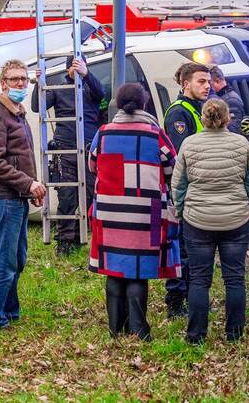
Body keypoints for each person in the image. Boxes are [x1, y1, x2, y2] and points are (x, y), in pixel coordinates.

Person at [87, 83, 181, 340]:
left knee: (115, 268)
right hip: (145, 213)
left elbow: (93, 165)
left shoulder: (103, 133)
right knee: (138, 269)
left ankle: (115, 329)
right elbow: (172, 168)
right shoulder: (155, 134)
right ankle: (139, 330)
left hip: (109, 212)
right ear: (144, 103)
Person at [171, 98, 249, 344]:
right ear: (227, 118)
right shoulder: (241, 144)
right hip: (236, 219)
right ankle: (234, 334)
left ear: (203, 118)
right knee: (235, 278)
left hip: (198, 220)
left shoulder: (189, 144)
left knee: (200, 279)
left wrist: (180, 211)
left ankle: (196, 335)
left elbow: (178, 184)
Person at [0, 59, 47, 330]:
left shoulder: (17, 113)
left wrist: (30, 186)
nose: (20, 83)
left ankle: (11, 312)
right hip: (3, 199)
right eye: (14, 79)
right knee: (5, 264)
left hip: (16, 196)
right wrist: (27, 184)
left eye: (24, 79)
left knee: (17, 260)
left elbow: (19, 158)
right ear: (3, 83)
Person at [32, 55, 105, 256]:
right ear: (67, 70)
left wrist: (86, 74)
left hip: (89, 149)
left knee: (92, 194)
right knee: (67, 197)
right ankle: (65, 241)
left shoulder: (91, 88)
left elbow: (103, 93)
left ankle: (86, 234)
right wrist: (38, 84)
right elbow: (37, 107)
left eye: (80, 65)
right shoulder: (59, 89)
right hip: (65, 150)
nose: (77, 69)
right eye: (73, 66)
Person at [163, 61, 211, 318]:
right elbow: (182, 155)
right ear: (186, 84)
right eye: (201, 81)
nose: (207, 86)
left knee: (194, 247)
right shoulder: (178, 113)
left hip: (199, 191)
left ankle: (193, 295)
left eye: (208, 81)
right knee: (181, 247)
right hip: (185, 192)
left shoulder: (197, 109)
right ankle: (175, 301)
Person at [209, 65, 246, 135]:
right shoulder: (224, 97)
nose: (207, 86)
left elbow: (233, 129)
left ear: (217, 81)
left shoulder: (231, 100)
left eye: (209, 83)